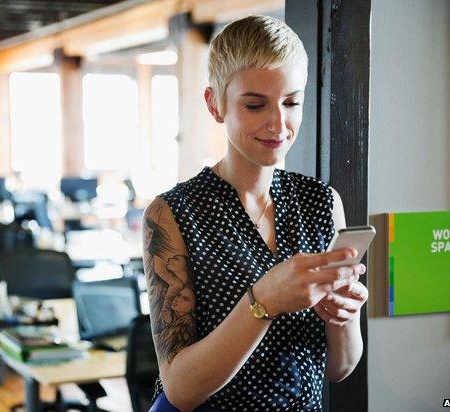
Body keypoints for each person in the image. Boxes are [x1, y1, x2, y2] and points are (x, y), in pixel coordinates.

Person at [142, 15, 369, 411]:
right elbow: (179, 389)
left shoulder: (322, 203)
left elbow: (341, 367)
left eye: (291, 102)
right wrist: (262, 300)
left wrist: (344, 316)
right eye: (254, 104)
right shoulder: (173, 214)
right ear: (215, 104)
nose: (278, 124)